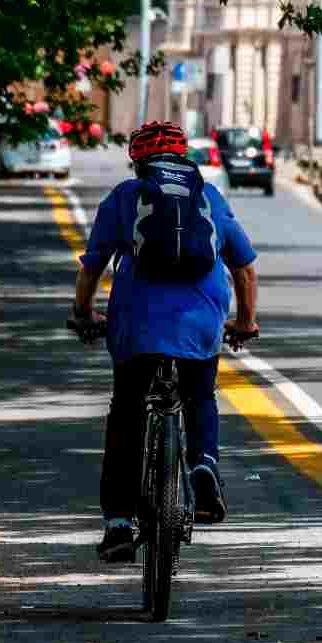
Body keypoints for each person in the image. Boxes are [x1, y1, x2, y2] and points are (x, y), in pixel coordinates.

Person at [70, 121, 259, 562]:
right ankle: (204, 466)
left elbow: (92, 267)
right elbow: (245, 268)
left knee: (126, 414)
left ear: (138, 163)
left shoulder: (124, 197)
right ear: (183, 156)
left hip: (137, 326)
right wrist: (245, 322)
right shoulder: (208, 197)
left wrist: (83, 314)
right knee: (199, 395)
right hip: (200, 323)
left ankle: (118, 523)